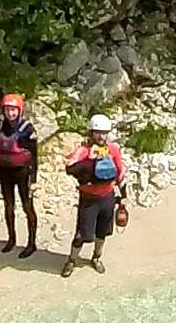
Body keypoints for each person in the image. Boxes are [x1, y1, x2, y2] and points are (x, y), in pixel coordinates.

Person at [59, 114, 130, 277]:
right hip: (89, 200)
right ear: (91, 133)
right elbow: (69, 168)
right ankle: (71, 260)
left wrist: (124, 196)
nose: (101, 136)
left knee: (102, 233)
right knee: (82, 235)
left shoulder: (113, 150)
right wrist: (90, 160)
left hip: (107, 198)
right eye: (98, 133)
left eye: (104, 133)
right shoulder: (83, 150)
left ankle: (96, 258)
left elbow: (120, 173)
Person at [0, 93, 44, 258]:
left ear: (19, 110)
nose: (10, 113)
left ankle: (31, 243)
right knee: (8, 206)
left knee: (27, 208)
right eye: (7, 110)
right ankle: (11, 239)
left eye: (13, 110)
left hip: (23, 173)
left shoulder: (27, 129)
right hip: (5, 172)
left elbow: (34, 155)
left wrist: (33, 179)